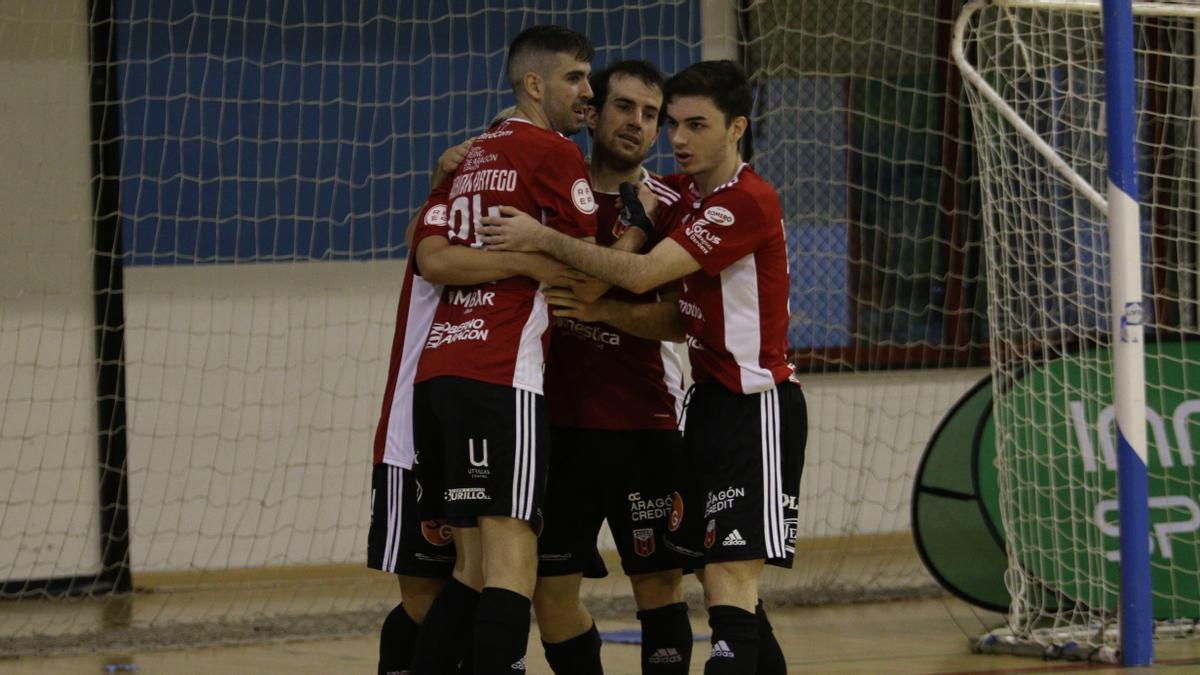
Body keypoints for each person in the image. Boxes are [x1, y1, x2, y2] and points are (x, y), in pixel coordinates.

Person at [479, 60, 806, 675]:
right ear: (592, 113)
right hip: (641, 415)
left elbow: (651, 289)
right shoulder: (644, 195)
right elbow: (690, 313)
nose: (668, 134)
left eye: (674, 120)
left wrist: (571, 272)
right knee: (720, 587)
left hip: (706, 413)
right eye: (653, 116)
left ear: (735, 128)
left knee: (714, 585)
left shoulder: (722, 201)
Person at [406, 25, 600, 674]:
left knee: (471, 566)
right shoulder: (553, 153)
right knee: (514, 555)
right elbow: (584, 272)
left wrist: (508, 259)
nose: (588, 91)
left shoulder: (463, 159)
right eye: (575, 77)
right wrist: (531, 259)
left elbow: (431, 259)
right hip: (500, 373)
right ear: (534, 84)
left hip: (440, 374)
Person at [368, 110, 579, 675]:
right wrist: (532, 258)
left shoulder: (471, 221)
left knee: (473, 573)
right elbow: (429, 255)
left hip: (450, 400)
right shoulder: (447, 224)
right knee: (428, 592)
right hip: (412, 424)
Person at [530, 59, 696, 675]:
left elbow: (685, 319)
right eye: (625, 107)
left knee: (659, 588)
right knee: (551, 597)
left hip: (644, 420)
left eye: (651, 115)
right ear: (593, 113)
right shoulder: (549, 188)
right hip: (556, 426)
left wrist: (608, 314)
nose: (638, 123)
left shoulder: (671, 205)